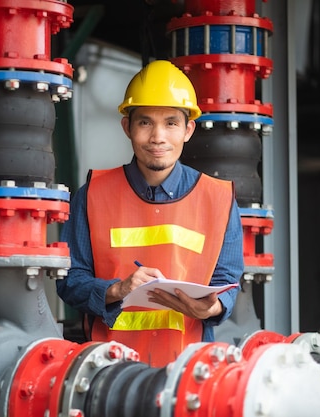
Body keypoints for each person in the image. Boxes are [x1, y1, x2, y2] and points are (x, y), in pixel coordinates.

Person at [56, 60, 244, 367]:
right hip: (108, 373)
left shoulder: (219, 199)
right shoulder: (91, 195)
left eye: (171, 123)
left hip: (186, 373)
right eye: (145, 123)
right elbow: (69, 281)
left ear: (188, 129)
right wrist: (117, 289)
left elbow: (227, 281)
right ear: (126, 127)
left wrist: (210, 309)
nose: (158, 137)